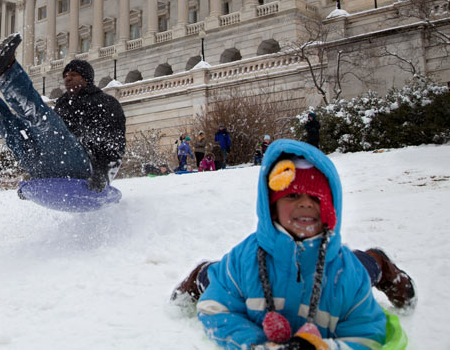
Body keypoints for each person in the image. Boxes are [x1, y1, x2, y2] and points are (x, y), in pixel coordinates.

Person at [171, 140, 415, 348]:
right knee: (215, 276)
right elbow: (216, 308)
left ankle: (378, 260)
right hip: (249, 269)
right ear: (272, 210)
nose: (305, 204)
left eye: (316, 198)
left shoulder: (348, 272)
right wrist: (256, 345)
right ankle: (200, 271)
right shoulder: (243, 260)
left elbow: (367, 334)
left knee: (362, 268)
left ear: (330, 208)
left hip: (333, 263)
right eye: (292, 195)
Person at [0, 33, 125, 192]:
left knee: (42, 121)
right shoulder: (64, 103)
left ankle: (6, 72)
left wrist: (102, 174)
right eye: (65, 75)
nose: (67, 78)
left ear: (86, 78)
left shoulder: (105, 103)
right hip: (48, 164)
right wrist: (36, 182)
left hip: (85, 168)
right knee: (12, 129)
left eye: (74, 74)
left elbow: (114, 143)